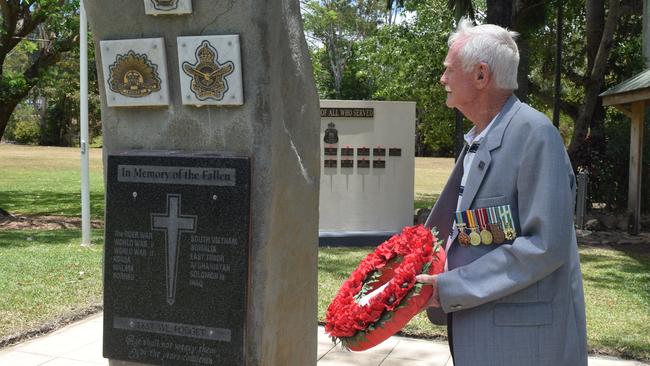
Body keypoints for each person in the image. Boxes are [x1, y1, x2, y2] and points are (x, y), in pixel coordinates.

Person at [416, 19, 587, 366]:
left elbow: (543, 246)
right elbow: (480, 233)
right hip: (485, 339)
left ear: (481, 76)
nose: (442, 79)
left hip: (524, 348)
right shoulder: (480, 139)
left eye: (449, 70)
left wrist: (449, 288)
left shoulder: (535, 135)